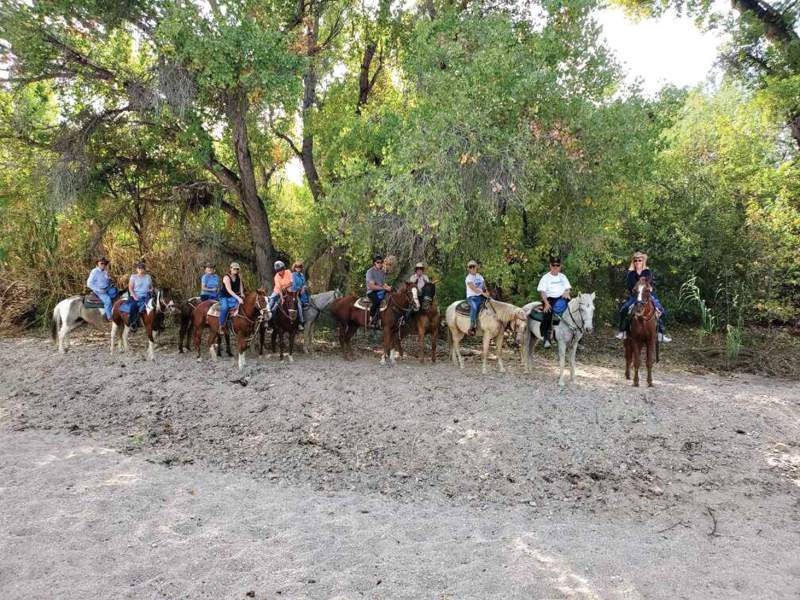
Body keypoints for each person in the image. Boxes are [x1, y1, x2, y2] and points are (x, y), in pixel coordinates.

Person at [615, 251, 672, 342]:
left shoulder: (647, 272)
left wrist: (650, 288)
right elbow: (630, 286)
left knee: (661, 310)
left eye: (639, 260)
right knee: (624, 310)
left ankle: (661, 334)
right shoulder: (631, 274)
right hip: (635, 295)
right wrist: (636, 291)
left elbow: (651, 283)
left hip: (648, 294)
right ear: (633, 262)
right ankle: (623, 331)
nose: (637, 262)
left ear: (643, 261)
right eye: (636, 260)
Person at [537, 256, 571, 349]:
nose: (555, 267)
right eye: (553, 265)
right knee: (547, 315)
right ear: (550, 266)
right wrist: (546, 303)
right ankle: (546, 338)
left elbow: (568, 288)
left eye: (557, 265)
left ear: (560, 266)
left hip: (562, 298)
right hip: (549, 299)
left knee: (576, 311)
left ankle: (577, 339)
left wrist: (566, 292)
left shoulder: (563, 277)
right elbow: (542, 292)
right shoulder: (545, 278)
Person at [86, 257, 116, 321]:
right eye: (101, 263)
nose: (103, 265)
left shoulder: (105, 272)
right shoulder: (94, 272)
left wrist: (110, 280)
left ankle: (112, 309)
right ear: (97, 264)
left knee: (115, 293)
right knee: (108, 300)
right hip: (99, 290)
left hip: (107, 288)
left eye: (104, 264)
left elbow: (106, 280)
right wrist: (99, 289)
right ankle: (109, 317)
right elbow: (89, 283)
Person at [366, 254, 392, 327]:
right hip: (371, 292)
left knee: (391, 297)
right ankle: (371, 319)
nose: (380, 264)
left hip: (380, 290)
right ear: (374, 263)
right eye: (378, 262)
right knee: (377, 301)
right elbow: (371, 286)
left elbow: (383, 284)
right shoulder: (370, 272)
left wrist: (388, 287)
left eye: (381, 262)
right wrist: (384, 288)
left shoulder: (382, 272)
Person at [465, 260, 490, 336]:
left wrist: (487, 293)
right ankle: (472, 325)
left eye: (473, 266)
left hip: (480, 297)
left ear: (476, 267)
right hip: (471, 297)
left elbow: (483, 286)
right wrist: (483, 293)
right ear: (468, 269)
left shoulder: (480, 276)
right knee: (474, 307)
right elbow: (474, 289)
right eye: (470, 267)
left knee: (489, 306)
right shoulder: (468, 278)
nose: (472, 268)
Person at [127, 262, 153, 331]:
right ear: (137, 269)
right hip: (136, 296)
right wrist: (135, 296)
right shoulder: (133, 277)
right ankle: (133, 323)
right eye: (139, 268)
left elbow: (150, 287)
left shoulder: (148, 277)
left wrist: (151, 290)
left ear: (144, 269)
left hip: (146, 296)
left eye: (142, 268)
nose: (141, 269)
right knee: (133, 306)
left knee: (155, 306)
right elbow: (130, 288)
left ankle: (157, 322)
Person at [219, 262, 245, 330]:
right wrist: (238, 298)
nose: (236, 270)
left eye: (237, 269)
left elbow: (241, 285)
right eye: (234, 269)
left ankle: (236, 324)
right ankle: (221, 325)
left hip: (234, 295)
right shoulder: (226, 277)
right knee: (225, 307)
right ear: (230, 268)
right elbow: (229, 290)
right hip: (225, 296)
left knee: (242, 306)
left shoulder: (238, 276)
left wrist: (242, 293)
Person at [291, 260, 308, 330]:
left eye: (300, 267)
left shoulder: (302, 275)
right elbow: (294, 285)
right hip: (295, 293)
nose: (298, 269)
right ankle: (300, 322)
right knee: (299, 305)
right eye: (297, 267)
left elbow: (304, 283)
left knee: (310, 302)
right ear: (294, 268)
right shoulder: (293, 275)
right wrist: (300, 288)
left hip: (303, 293)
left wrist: (304, 287)